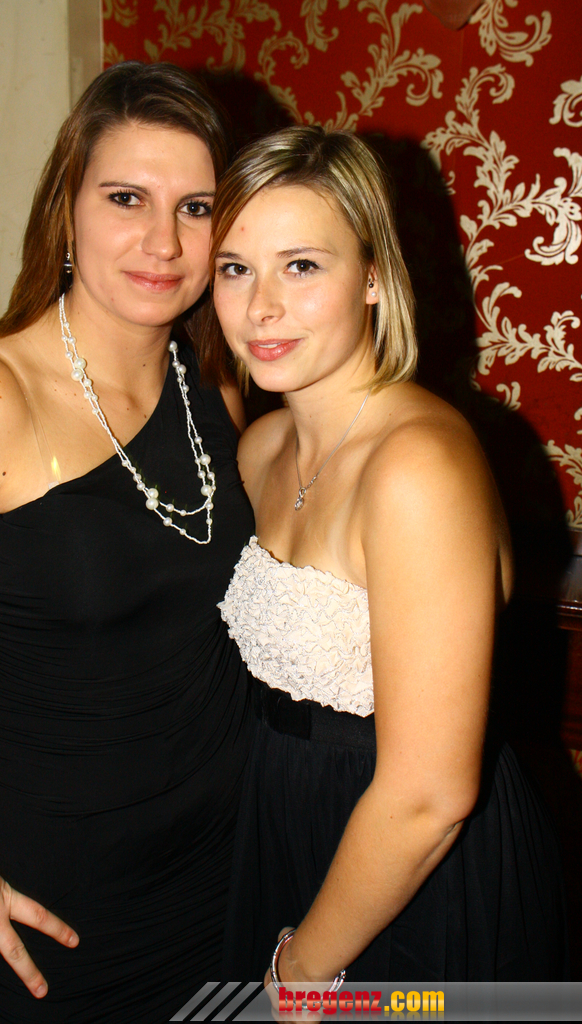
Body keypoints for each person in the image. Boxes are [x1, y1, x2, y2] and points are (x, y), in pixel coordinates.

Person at [0, 62, 255, 1022]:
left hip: (226, 878)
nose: (162, 241)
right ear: (68, 207)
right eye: (126, 198)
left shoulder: (214, 384)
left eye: (195, 207)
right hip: (50, 911)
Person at [205, 125, 567, 984]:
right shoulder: (260, 450)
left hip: (416, 874)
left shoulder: (418, 468)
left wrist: (301, 975)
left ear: (373, 276)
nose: (260, 307)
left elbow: (430, 796)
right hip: (283, 827)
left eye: (301, 266)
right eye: (235, 268)